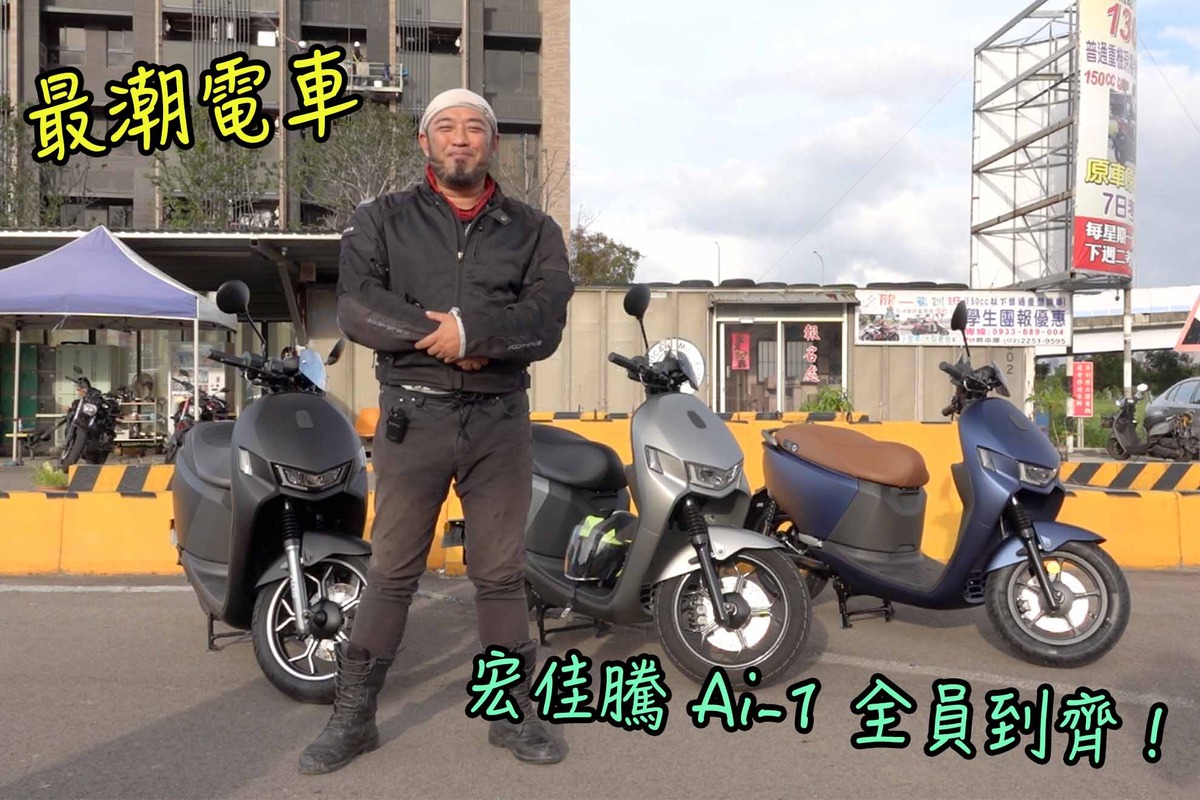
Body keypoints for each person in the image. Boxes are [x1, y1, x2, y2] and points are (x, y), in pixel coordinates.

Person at [298, 88, 575, 775]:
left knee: (499, 574)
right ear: (424, 142)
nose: (460, 138)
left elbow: (545, 319)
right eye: (445, 127)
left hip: (499, 421)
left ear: (493, 144)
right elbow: (358, 306)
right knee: (392, 570)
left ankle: (511, 714)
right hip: (410, 418)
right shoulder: (381, 219)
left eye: (474, 127)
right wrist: (445, 336)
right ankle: (353, 717)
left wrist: (474, 333)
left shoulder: (534, 230)